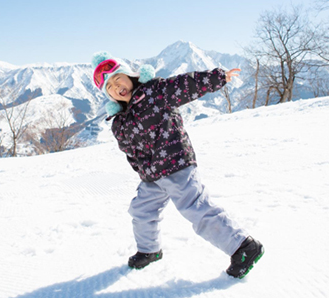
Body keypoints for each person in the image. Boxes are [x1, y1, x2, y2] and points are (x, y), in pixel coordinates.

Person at [91, 51, 264, 279]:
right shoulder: (120, 122)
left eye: (118, 78)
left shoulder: (154, 92)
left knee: (195, 208)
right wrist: (143, 171)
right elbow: (130, 153)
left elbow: (185, 85)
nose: (116, 87)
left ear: (130, 76)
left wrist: (217, 77)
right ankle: (149, 250)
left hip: (177, 165)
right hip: (152, 177)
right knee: (141, 210)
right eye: (110, 87)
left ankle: (243, 247)